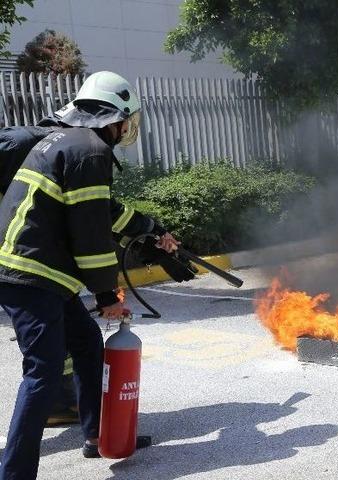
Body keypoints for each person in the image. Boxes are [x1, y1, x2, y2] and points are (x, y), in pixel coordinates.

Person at [0, 71, 186, 479]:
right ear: (115, 118)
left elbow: (99, 210)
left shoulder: (68, 141)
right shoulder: (90, 150)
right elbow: (90, 236)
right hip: (31, 274)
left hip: (40, 273)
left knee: (87, 346)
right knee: (42, 374)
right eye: (127, 121)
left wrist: (150, 228)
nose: (126, 130)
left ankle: (97, 436)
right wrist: (106, 296)